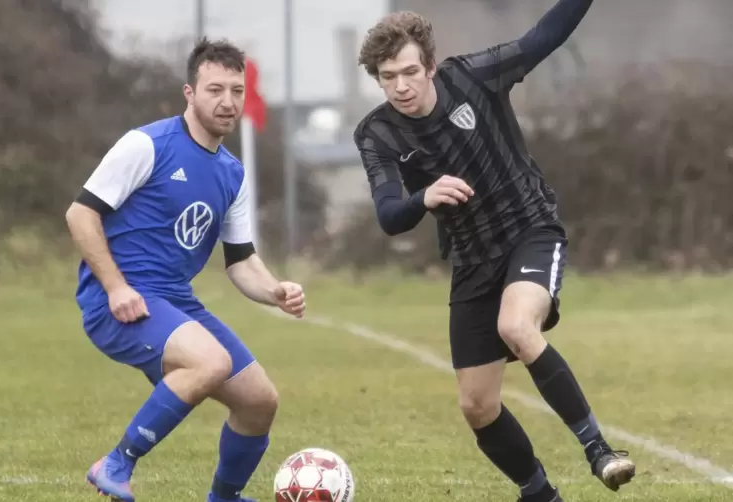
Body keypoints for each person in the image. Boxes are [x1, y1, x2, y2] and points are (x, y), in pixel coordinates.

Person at [353, 3, 635, 501]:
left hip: (529, 229)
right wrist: (425, 196)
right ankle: (540, 494)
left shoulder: (475, 76)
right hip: (471, 260)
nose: (401, 86)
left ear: (431, 67)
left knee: (516, 326)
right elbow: (389, 216)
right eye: (388, 76)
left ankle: (600, 451)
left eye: (411, 72)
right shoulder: (376, 134)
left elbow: (542, 37)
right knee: (477, 406)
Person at [65, 38, 305, 502]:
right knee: (210, 362)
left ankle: (224, 498)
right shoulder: (147, 145)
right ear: (189, 94)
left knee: (259, 402)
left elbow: (240, 261)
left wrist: (275, 290)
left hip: (173, 299)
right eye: (215, 89)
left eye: (236, 90)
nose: (228, 101)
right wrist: (115, 287)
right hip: (116, 300)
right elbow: (80, 214)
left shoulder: (232, 173)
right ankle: (115, 463)